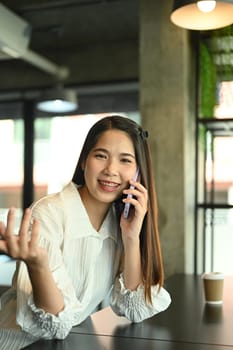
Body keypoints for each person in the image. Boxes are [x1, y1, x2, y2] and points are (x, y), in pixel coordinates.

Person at [0, 115, 171, 347]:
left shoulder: (119, 221)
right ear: (83, 162)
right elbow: (55, 327)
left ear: (138, 174)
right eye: (101, 156)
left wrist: (131, 238)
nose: (111, 170)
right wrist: (38, 264)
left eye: (125, 160)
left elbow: (136, 310)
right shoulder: (49, 214)